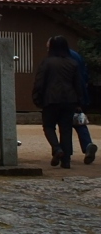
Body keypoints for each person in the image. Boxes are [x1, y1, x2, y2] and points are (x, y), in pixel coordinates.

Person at [32, 36, 83, 169]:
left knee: (49, 126)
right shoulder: (73, 63)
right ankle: (66, 160)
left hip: (51, 99)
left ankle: (57, 149)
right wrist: (79, 100)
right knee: (66, 129)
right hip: (70, 100)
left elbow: (39, 82)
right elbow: (78, 83)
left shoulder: (47, 63)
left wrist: (37, 98)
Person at [69, 49, 98, 164]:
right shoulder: (78, 57)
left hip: (65, 95)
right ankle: (87, 145)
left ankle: (65, 151)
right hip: (80, 94)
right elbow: (85, 76)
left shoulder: (62, 58)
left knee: (64, 124)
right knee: (79, 121)